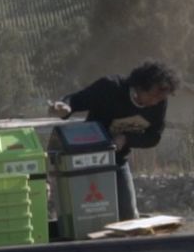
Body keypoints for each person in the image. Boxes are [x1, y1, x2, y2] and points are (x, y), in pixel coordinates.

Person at [49, 60, 180, 221]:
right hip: (86, 161)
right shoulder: (110, 87)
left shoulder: (159, 104)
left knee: (128, 216)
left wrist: (126, 139)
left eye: (160, 98)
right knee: (87, 214)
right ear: (139, 86)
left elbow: (153, 137)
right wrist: (65, 108)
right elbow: (75, 100)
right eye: (153, 95)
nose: (155, 101)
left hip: (117, 162)